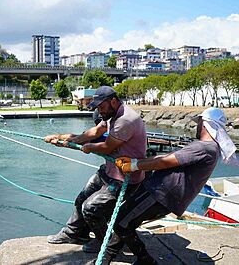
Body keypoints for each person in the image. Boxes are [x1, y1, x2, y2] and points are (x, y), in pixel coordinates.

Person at [100, 107, 237, 265]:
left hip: (160, 194)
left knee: (120, 222)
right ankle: (107, 258)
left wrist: (134, 164)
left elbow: (166, 161)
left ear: (205, 124)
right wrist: (142, 161)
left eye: (198, 123)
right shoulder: (208, 148)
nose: (196, 126)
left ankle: (145, 260)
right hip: (161, 193)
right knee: (126, 221)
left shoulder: (205, 148)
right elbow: (168, 158)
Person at [44, 86, 147, 253]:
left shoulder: (125, 120)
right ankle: (75, 233)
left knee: (90, 208)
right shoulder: (112, 113)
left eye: (101, 106)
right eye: (97, 107)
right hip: (110, 171)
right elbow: (95, 131)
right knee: (81, 199)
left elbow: (107, 147)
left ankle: (106, 242)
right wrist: (66, 140)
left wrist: (88, 147)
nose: (100, 110)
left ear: (113, 101)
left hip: (125, 178)